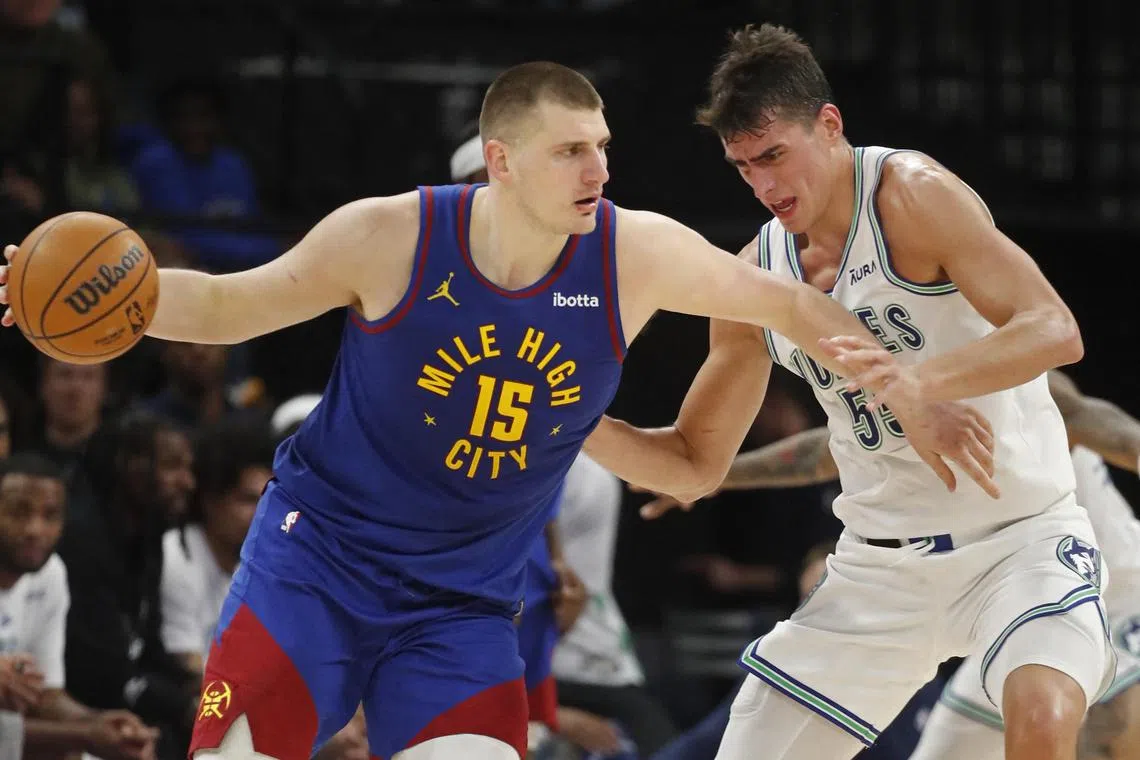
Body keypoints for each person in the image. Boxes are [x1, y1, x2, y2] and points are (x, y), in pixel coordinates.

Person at [0, 61, 992, 760]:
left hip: (462, 603)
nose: (598, 171)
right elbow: (227, 303)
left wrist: (907, 389)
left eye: (602, 147)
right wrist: (111, 300)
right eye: (570, 151)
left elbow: (793, 307)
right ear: (501, 160)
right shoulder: (391, 236)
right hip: (318, 568)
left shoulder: (635, 252)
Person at [583, 24, 1097, 760]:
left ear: (829, 126)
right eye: (743, 167)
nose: (763, 185)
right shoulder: (755, 277)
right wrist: (574, 421)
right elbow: (692, 464)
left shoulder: (911, 195)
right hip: (880, 569)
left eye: (774, 155)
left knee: (1042, 720)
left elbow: (1055, 329)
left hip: (1019, 540)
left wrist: (916, 382)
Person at [643, 370, 1140, 759]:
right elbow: (827, 452)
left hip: (1094, 582)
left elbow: (1108, 427)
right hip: (976, 583)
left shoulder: (1003, 359)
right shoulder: (886, 375)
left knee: (1102, 734)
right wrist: (715, 476)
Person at [0, 452, 160, 760]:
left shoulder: (50, 574)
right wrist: (85, 735)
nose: (35, 530)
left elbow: (47, 696)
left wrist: (100, 722)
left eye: (50, 516)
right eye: (18, 512)